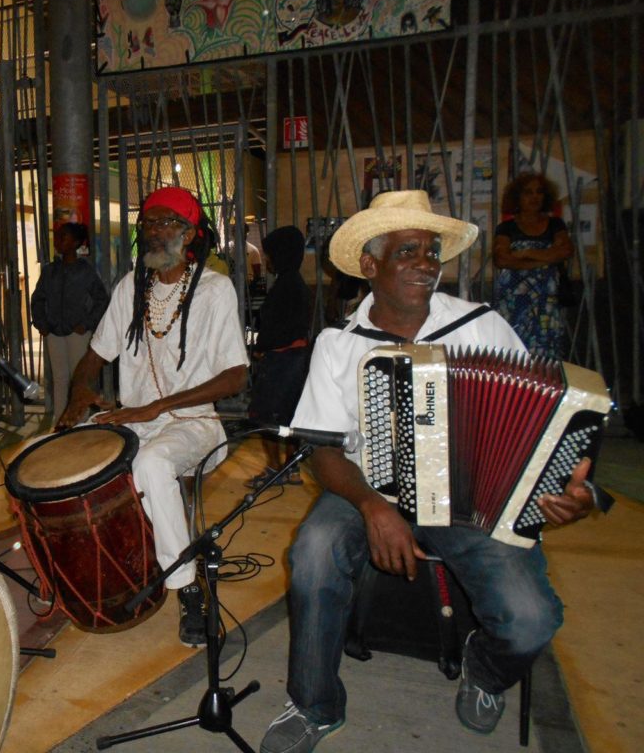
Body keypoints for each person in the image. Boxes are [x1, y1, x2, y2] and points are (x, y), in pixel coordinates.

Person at [260, 190, 601, 753]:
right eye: (408, 251)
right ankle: (313, 704)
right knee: (312, 554)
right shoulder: (338, 345)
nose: (426, 263)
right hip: (365, 485)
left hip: (471, 499)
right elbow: (323, 450)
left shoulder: (479, 325)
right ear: (369, 266)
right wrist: (373, 505)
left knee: (530, 619)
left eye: (432, 252)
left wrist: (570, 487)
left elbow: (540, 422)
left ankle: (486, 671)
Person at [58, 186, 249, 648]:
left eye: (167, 224)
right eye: (149, 224)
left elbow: (237, 376)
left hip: (195, 423)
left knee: (153, 464)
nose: (155, 232)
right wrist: (78, 395)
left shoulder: (214, 289)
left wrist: (158, 407)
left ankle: (188, 591)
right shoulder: (129, 289)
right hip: (134, 422)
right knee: (65, 457)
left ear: (190, 235)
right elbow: (95, 356)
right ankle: (108, 574)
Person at [246, 226, 312, 489]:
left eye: (271, 254)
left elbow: (281, 329)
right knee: (288, 414)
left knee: (265, 416)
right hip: (294, 359)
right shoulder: (293, 283)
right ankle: (291, 467)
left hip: (282, 360)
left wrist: (260, 347)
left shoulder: (287, 287)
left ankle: (275, 469)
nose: (268, 260)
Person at [30, 222, 110, 423]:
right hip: (54, 331)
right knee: (59, 378)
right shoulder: (49, 271)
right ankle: (60, 420)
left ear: (75, 242)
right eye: (57, 237)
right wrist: (42, 324)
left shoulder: (85, 271)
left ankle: (80, 421)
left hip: (77, 332)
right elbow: (37, 298)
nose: (58, 241)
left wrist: (87, 323)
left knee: (80, 378)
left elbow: (102, 299)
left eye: (63, 237)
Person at [493, 172, 574, 360]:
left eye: (539, 192)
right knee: (513, 353)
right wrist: (546, 259)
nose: (534, 197)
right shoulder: (506, 228)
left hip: (547, 304)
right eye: (528, 193)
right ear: (518, 197)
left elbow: (565, 251)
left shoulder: (555, 224)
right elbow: (502, 259)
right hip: (515, 304)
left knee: (547, 356)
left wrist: (526, 254)